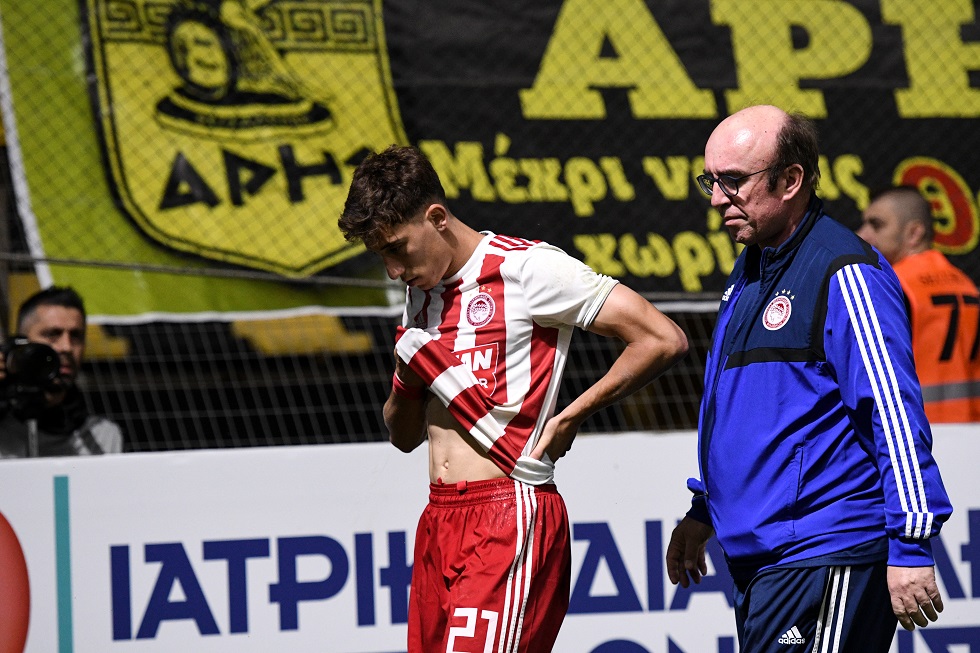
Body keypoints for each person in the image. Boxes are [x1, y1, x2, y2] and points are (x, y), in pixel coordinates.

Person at [339, 144, 689, 652]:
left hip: (508, 512)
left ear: (436, 218)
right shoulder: (421, 292)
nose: (393, 270)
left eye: (397, 249)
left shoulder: (527, 268)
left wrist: (572, 416)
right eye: (382, 256)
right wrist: (406, 379)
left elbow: (662, 338)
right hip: (439, 518)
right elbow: (404, 437)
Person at [666, 106, 953, 651]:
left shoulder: (844, 270)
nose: (716, 198)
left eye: (733, 180)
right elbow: (745, 410)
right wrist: (705, 509)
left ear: (791, 180)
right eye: (711, 180)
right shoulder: (751, 268)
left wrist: (912, 543)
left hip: (827, 549)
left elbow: (892, 412)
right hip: (770, 559)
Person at [857, 185, 980, 422]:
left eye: (876, 225)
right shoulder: (967, 285)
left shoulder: (892, 286)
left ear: (914, 233)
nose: (863, 234)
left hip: (916, 428)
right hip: (971, 428)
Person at [0, 286, 123, 458]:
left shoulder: (103, 437)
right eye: (53, 334)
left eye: (76, 336)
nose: (67, 347)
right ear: (22, 344)